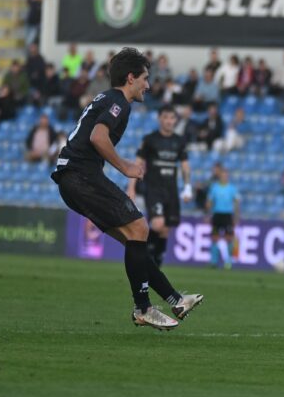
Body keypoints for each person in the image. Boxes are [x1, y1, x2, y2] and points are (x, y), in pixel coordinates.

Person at [51, 47, 202, 331]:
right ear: (131, 78)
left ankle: (175, 299)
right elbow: (98, 137)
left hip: (72, 179)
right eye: (145, 78)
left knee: (134, 239)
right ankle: (143, 308)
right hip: (80, 176)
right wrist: (125, 167)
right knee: (140, 228)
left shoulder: (108, 98)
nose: (148, 85)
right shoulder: (118, 101)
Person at [126, 105, 192, 267]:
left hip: (171, 190)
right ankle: (145, 257)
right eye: (166, 117)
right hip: (154, 189)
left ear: (175, 120)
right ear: (159, 119)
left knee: (165, 230)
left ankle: (156, 264)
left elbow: (185, 166)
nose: (169, 121)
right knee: (158, 224)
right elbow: (138, 163)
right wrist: (131, 188)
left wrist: (187, 187)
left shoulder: (179, 141)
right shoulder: (149, 139)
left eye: (172, 118)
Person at [206, 164, 240, 270]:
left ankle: (228, 261)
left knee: (229, 238)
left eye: (226, 175)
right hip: (217, 215)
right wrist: (208, 213)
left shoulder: (232, 188)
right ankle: (214, 261)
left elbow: (236, 203)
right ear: (220, 176)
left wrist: (236, 217)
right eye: (222, 175)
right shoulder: (214, 187)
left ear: (228, 176)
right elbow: (210, 202)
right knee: (214, 238)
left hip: (227, 215)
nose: (224, 177)